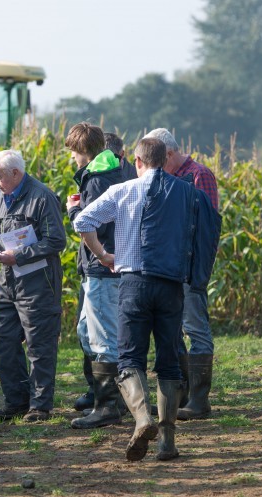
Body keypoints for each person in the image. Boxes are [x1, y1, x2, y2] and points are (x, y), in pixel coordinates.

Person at [73, 137, 197, 461]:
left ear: (138, 162)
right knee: (169, 361)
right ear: (165, 159)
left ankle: (142, 419)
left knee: (129, 358)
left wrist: (102, 255)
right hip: (170, 284)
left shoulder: (122, 190)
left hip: (133, 282)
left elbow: (81, 221)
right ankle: (167, 442)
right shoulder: (183, 191)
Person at [0, 149, 66, 422]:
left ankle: (40, 406)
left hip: (37, 283)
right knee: (3, 341)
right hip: (6, 282)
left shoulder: (42, 197)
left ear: (16, 173)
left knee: (39, 346)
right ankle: (15, 402)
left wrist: (18, 255)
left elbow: (56, 241)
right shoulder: (3, 196)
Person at [146, 128, 219, 421]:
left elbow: (207, 224)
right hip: (166, 267)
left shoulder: (200, 175)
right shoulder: (169, 177)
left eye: (161, 160)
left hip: (188, 267)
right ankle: (182, 395)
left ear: (171, 154)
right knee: (171, 331)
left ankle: (200, 401)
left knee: (195, 328)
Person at [65, 123, 132, 429]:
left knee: (104, 338)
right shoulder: (120, 169)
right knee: (87, 332)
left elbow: (93, 224)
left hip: (103, 268)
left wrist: (73, 213)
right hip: (112, 264)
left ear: (83, 151)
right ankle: (110, 395)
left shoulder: (96, 178)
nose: (72, 159)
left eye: (74, 153)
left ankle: (109, 406)